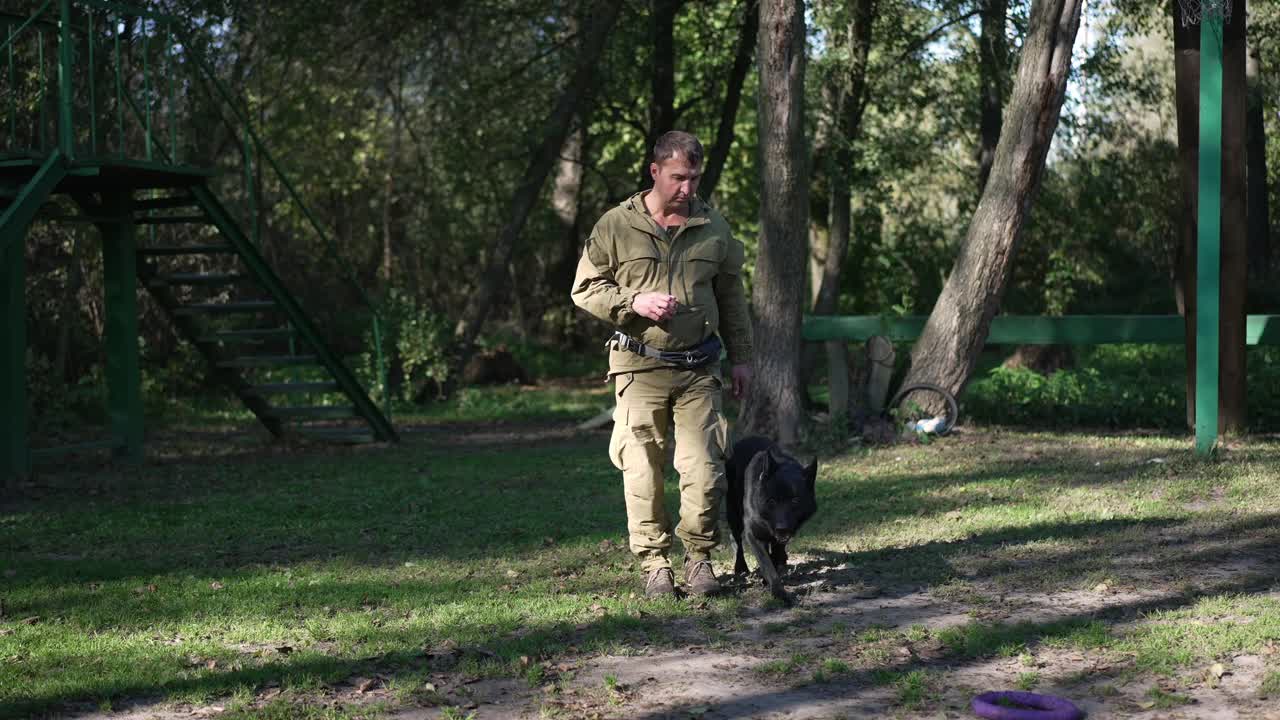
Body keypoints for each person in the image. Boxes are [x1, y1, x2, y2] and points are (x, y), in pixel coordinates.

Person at [571, 131, 753, 598]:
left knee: (703, 467)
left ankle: (699, 561)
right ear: (655, 172)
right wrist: (635, 302)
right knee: (642, 470)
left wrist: (744, 359)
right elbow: (585, 289)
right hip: (639, 365)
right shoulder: (616, 224)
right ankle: (655, 565)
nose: (687, 188)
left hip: (699, 368)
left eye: (693, 178)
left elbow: (732, 296)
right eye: (678, 178)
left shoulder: (715, 227)